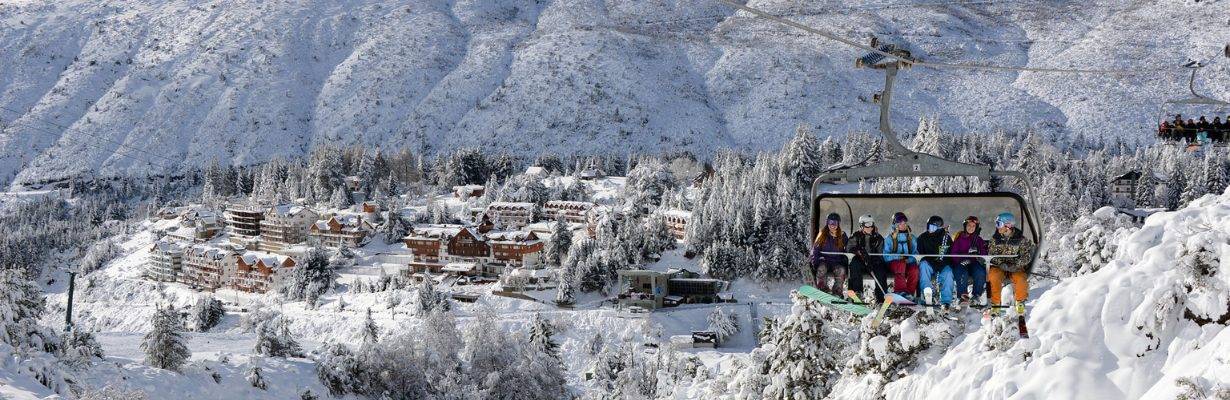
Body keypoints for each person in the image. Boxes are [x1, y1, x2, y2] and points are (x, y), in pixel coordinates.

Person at [987, 212, 1035, 316]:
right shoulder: (995, 239)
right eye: (996, 224)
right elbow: (991, 255)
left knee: (1021, 278)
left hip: (1015, 268)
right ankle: (995, 304)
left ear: (1008, 226)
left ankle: (1020, 303)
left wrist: (1016, 265)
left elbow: (1026, 256)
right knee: (994, 276)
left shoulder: (1021, 240)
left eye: (999, 224)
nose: (997, 227)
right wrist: (1001, 264)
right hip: (1000, 267)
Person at [846, 214, 888, 302]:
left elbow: (881, 253)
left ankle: (881, 298)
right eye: (867, 225)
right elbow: (849, 247)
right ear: (861, 225)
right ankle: (857, 292)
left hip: (873, 262)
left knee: (880, 270)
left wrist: (874, 261)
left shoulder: (878, 238)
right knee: (854, 265)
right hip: (860, 261)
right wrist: (858, 251)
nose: (870, 227)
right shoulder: (856, 236)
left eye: (871, 224)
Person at [916, 216, 955, 308]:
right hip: (929, 263)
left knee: (948, 273)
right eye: (929, 226)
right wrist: (925, 260)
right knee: (923, 266)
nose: (930, 229)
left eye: (933, 228)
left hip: (942, 264)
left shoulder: (946, 238)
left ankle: (946, 301)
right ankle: (927, 294)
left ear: (939, 229)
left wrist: (945, 262)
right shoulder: (922, 238)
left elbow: (950, 254)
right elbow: (919, 254)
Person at [950, 216, 988, 307]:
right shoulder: (959, 238)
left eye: (973, 226)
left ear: (976, 227)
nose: (971, 228)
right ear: (965, 226)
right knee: (962, 273)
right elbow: (953, 254)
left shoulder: (978, 240)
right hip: (961, 263)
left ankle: (976, 295)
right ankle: (963, 296)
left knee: (980, 272)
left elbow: (984, 252)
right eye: (969, 226)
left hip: (974, 263)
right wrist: (962, 260)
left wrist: (978, 253)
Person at [809, 213, 849, 296]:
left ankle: (837, 291)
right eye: (831, 223)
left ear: (838, 224)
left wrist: (845, 262)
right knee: (821, 269)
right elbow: (815, 250)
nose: (833, 225)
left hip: (837, 261)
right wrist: (815, 262)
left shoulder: (842, 235)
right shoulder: (822, 235)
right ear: (827, 223)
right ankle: (822, 289)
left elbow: (848, 249)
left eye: (835, 223)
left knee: (841, 271)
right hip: (824, 260)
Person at [882, 212, 919, 300]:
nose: (903, 225)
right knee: (900, 264)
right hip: (894, 264)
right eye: (900, 223)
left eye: (904, 223)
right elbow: (885, 256)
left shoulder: (911, 238)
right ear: (895, 224)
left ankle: (909, 294)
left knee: (915, 270)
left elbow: (916, 253)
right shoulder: (890, 238)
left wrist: (908, 260)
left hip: (908, 263)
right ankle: (900, 291)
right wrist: (899, 257)